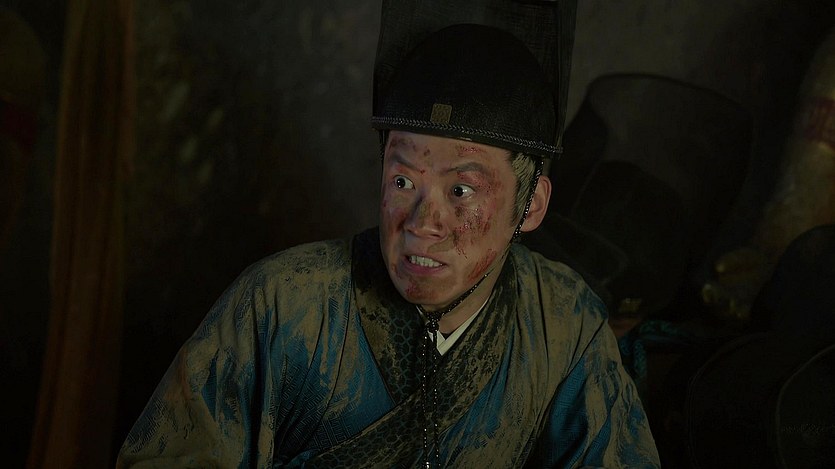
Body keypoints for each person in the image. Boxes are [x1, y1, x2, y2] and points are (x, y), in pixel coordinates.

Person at [117, 22, 659, 468]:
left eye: (461, 191)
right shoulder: (282, 303)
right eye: (403, 182)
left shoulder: (562, 323)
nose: (423, 222)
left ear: (531, 205)